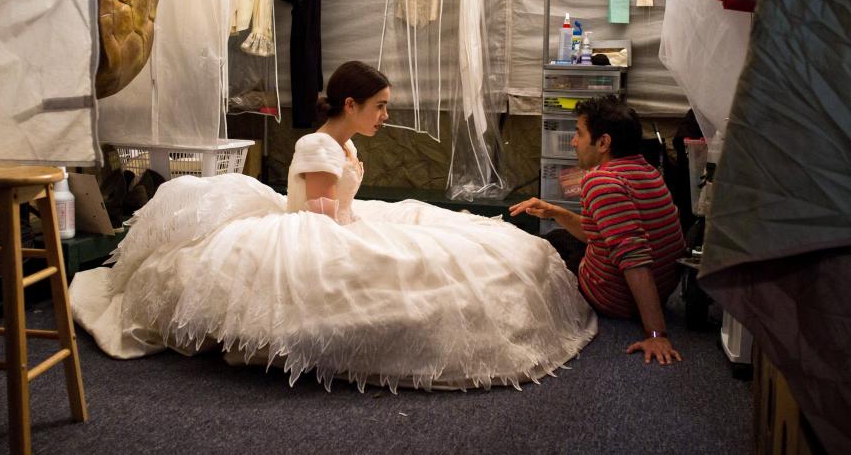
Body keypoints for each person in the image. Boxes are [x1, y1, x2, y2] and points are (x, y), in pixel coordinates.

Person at [70, 61, 596, 391]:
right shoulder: (318, 145)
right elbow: (318, 214)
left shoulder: (342, 143)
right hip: (313, 227)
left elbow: (338, 202)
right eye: (380, 107)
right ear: (351, 104)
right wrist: (363, 234)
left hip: (337, 218)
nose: (385, 116)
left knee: (461, 247)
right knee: (404, 264)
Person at [510, 95, 685, 365]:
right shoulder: (647, 172)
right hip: (660, 290)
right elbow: (603, 234)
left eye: (579, 134)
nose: (574, 142)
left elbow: (634, 257)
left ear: (603, 142)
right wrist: (556, 212)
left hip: (613, 299)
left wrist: (656, 332)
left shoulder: (601, 181)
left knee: (539, 250)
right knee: (559, 234)